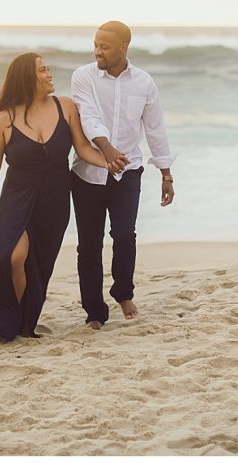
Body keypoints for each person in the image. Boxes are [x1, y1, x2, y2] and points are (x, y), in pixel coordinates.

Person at [0, 52, 126, 340]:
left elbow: (82, 149)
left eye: (48, 68)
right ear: (27, 78)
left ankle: (24, 325)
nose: (49, 74)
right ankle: (7, 317)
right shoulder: (3, 120)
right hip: (15, 202)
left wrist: (107, 162)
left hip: (55, 202)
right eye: (43, 70)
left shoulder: (66, 107)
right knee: (13, 257)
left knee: (40, 265)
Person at [70, 21, 176, 329]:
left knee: (125, 236)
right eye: (96, 45)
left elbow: (155, 129)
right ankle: (94, 312)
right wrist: (106, 150)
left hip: (128, 172)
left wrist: (166, 174)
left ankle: (123, 292)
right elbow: (87, 116)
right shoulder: (84, 76)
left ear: (123, 47)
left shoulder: (143, 82)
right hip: (87, 172)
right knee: (89, 245)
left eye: (104, 46)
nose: (97, 51)